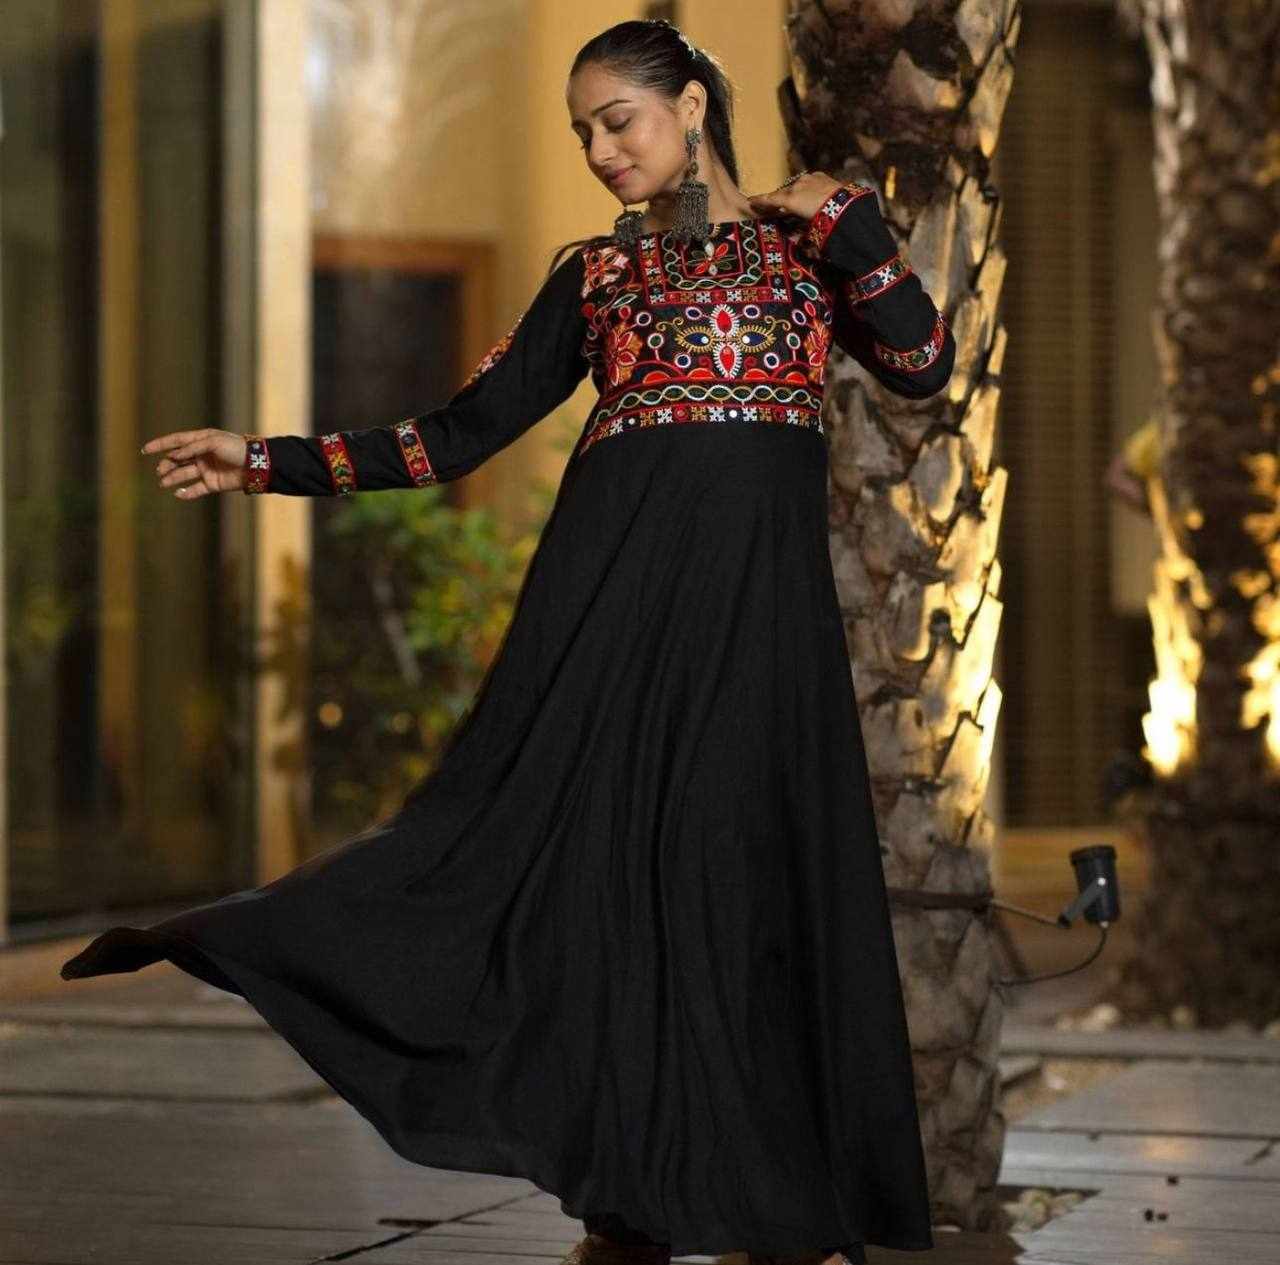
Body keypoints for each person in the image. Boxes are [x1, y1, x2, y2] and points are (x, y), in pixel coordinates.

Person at [61, 18, 953, 1265]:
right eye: (581, 133)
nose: (598, 151)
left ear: (691, 105)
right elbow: (453, 435)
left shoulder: (805, 249)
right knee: (592, 882)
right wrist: (260, 459)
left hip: (761, 631)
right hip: (607, 616)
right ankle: (629, 1206)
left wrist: (850, 225)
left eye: (616, 121)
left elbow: (920, 362)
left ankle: (773, 1208)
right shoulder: (593, 275)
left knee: (749, 885)